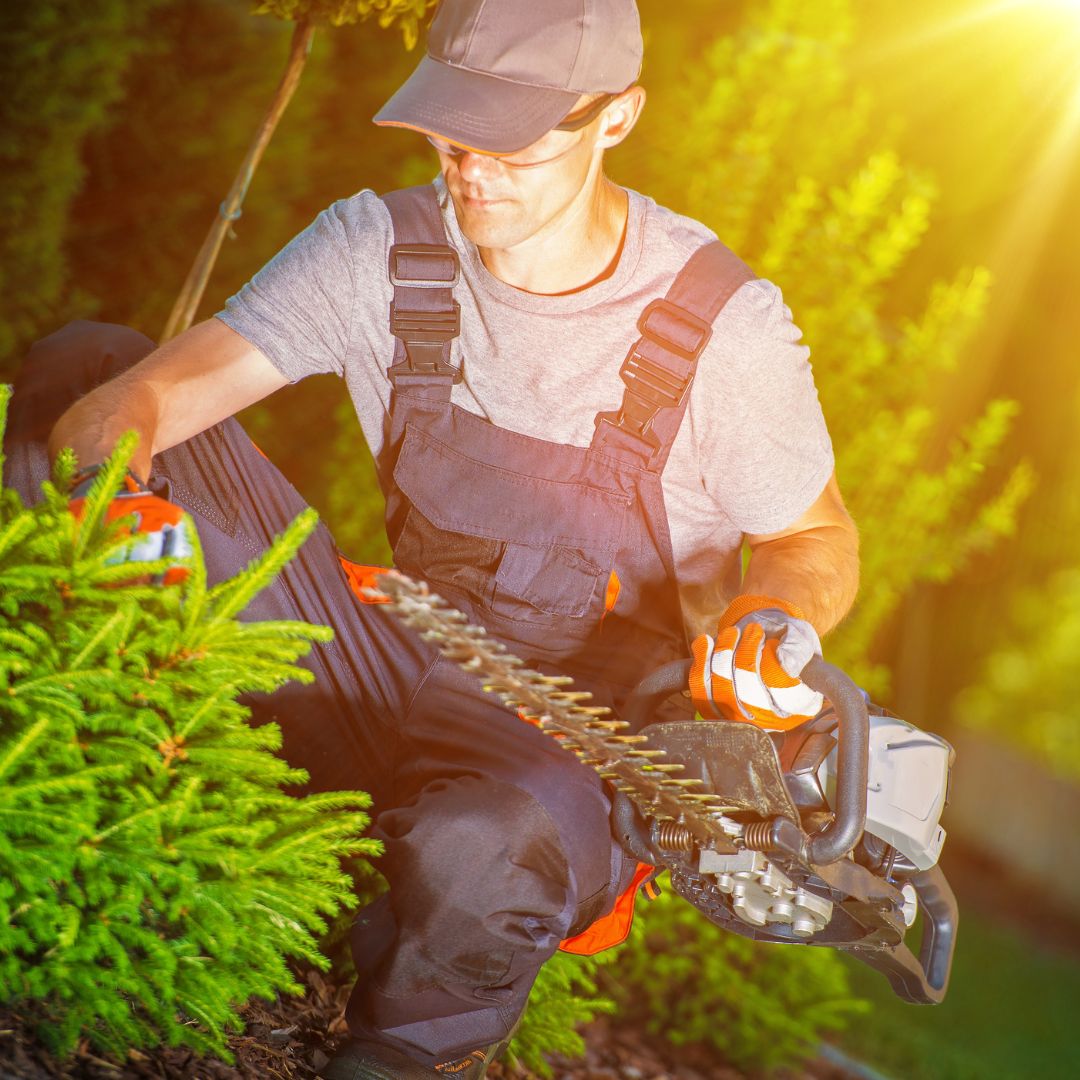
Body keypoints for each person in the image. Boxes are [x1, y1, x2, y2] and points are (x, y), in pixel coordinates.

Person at [4, 1, 859, 1076]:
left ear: (619, 118)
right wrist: (116, 498)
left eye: (514, 139)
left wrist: (773, 618)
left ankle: (401, 1052)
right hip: (388, 651)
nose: (474, 171)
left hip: (569, 745)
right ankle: (60, 758)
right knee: (83, 363)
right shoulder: (380, 247)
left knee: (489, 845)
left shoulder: (722, 327)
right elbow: (122, 402)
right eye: (454, 134)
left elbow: (815, 535)